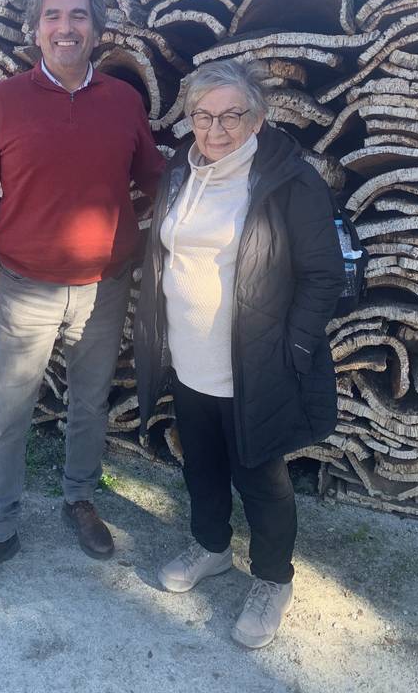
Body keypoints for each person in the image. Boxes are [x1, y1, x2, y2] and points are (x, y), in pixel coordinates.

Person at [0, 0, 164, 597]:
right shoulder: (2, 101)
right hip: (27, 286)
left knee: (88, 403)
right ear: (35, 28)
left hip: (105, 285)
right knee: (7, 411)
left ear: (96, 28)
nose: (66, 28)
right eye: (53, 16)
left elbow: (153, 176)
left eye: (78, 16)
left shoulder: (123, 101)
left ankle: (79, 499)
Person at [134, 59, 344, 649]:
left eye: (231, 115)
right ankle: (211, 547)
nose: (216, 129)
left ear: (257, 118)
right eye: (203, 116)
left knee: (260, 477)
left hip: (255, 365)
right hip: (188, 356)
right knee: (200, 462)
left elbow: (323, 275)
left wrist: (294, 346)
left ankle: (273, 579)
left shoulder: (289, 182)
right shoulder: (181, 170)